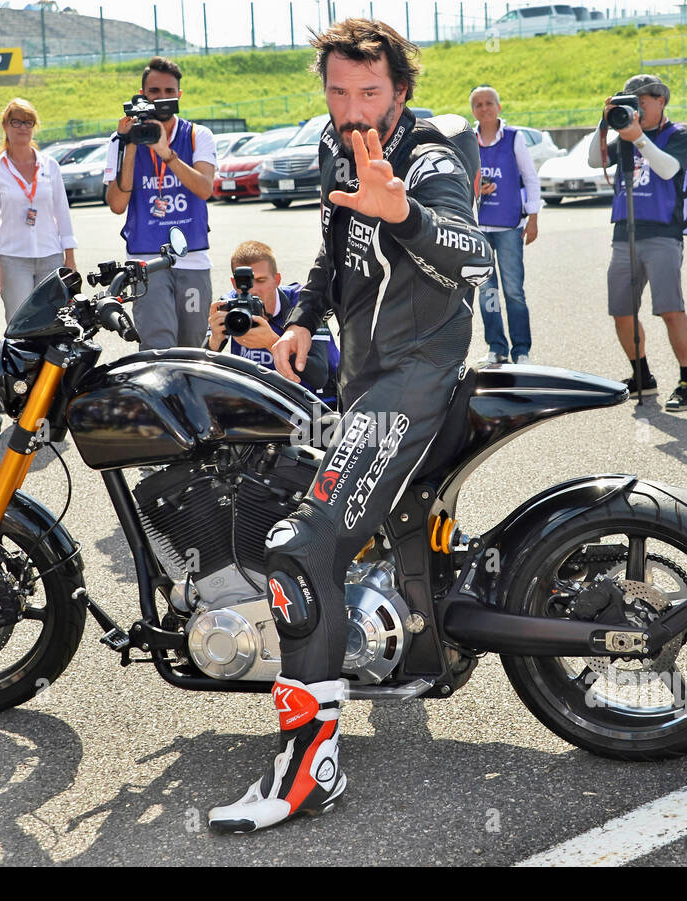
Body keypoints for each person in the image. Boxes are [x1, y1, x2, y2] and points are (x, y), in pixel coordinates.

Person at [207, 18, 492, 833]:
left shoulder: (433, 153)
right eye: (338, 92)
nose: (353, 107)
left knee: (301, 547)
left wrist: (402, 214)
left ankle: (309, 768)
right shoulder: (343, 148)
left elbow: (474, 259)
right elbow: (335, 259)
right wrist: (298, 319)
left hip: (414, 379)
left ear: (401, 88)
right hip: (366, 374)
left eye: (370, 92)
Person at [588, 74, 687, 412]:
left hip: (663, 232)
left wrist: (638, 139)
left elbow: (668, 170)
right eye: (630, 101)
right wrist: (604, 123)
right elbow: (594, 160)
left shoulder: (677, 135)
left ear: (660, 100)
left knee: (669, 309)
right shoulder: (622, 134)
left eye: (643, 100)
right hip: (625, 233)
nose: (637, 107)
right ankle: (643, 377)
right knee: (621, 312)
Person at [104, 56, 216, 350]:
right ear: (143, 95)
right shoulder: (120, 140)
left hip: (192, 256)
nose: (162, 98)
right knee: (158, 345)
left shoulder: (197, 135)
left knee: (193, 345)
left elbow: (205, 189)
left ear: (179, 95)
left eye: (169, 92)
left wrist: (168, 155)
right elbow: (117, 203)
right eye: (154, 92)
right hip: (147, 259)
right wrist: (130, 144)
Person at [205, 239, 339, 407]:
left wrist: (272, 343)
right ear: (234, 283)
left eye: (261, 280)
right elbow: (200, 370)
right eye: (244, 283)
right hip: (260, 404)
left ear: (277, 280)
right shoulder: (230, 305)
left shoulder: (303, 304)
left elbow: (319, 376)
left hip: (313, 404)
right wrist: (214, 342)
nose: (253, 290)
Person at [0, 99, 77, 326]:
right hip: (13, 258)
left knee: (54, 321)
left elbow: (62, 212)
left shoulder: (49, 165)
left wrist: (70, 258)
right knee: (20, 321)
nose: (23, 127)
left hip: (50, 255)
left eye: (28, 122)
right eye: (16, 122)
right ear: (5, 126)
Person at [470, 85, 541, 366]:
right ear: (473, 110)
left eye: (489, 103)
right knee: (487, 291)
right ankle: (496, 346)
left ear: (499, 107)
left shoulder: (514, 137)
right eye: (478, 104)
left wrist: (533, 217)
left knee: (513, 290)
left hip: (510, 226)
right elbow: (462, 182)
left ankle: (521, 348)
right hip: (479, 228)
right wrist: (478, 191)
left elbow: (531, 178)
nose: (485, 108)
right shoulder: (467, 140)